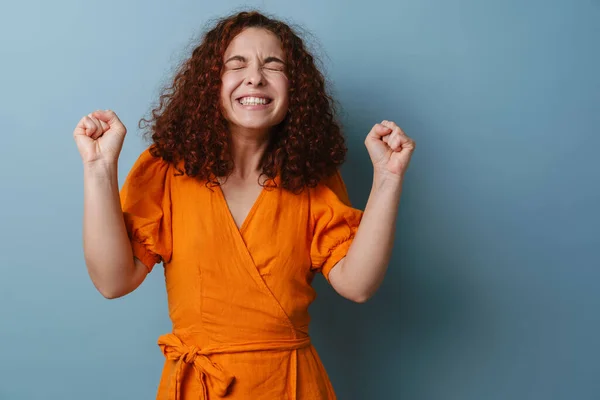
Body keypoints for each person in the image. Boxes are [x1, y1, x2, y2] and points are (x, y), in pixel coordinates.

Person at [73, 10, 415, 400]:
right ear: (210, 84)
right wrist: (99, 168)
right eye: (236, 64)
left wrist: (388, 179)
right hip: (196, 387)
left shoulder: (311, 179)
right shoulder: (165, 170)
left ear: (295, 89)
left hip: (292, 386)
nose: (255, 77)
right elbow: (113, 281)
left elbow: (358, 285)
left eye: (274, 65)